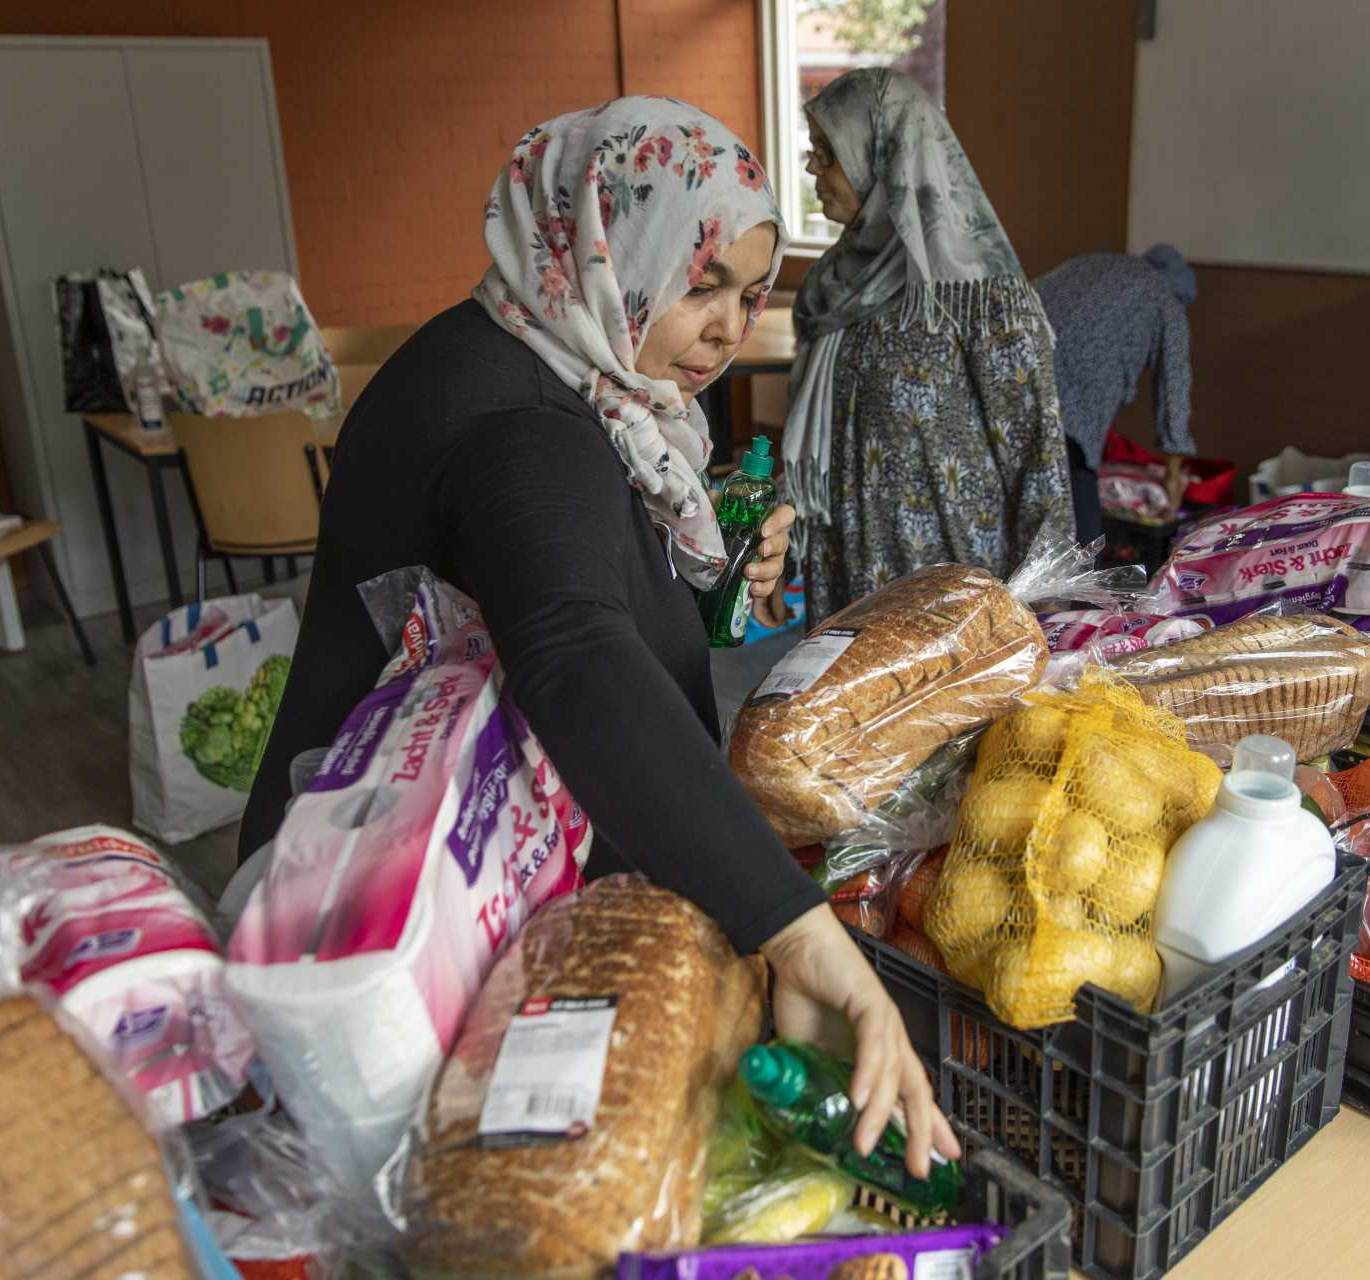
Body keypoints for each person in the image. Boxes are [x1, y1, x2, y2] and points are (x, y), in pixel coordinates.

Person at [240, 99, 956, 1174]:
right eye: (699, 281)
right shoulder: (520, 424)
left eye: (749, 293)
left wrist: (689, 537)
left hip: (391, 874)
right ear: (601, 241)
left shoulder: (527, 355)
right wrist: (794, 925)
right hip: (393, 931)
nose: (725, 327)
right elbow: (575, 651)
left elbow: (550, 551)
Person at [784, 68, 1072, 624]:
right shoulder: (833, 286)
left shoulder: (980, 295)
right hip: (843, 581)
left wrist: (1047, 616)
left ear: (884, 153)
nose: (812, 168)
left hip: (948, 604)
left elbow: (1038, 464)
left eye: (829, 152)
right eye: (813, 150)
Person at [1033, 245, 1198, 544]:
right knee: (1078, 502)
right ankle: (1083, 586)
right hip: (1071, 406)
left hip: (1013, 370)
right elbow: (1174, 387)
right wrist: (1174, 475)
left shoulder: (1089, 261)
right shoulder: (1166, 299)